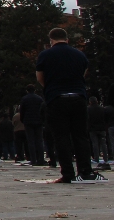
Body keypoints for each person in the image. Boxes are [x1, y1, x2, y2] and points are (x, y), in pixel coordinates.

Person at [36, 27, 104, 182]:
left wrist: (51, 87)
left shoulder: (45, 55)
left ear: (51, 40)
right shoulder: (79, 55)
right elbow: (83, 74)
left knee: (61, 137)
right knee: (81, 136)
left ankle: (67, 173)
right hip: (78, 97)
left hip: (57, 98)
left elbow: (40, 78)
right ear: (67, 39)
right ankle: (85, 171)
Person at [19, 84, 47, 166]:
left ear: (27, 90)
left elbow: (22, 110)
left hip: (28, 121)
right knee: (39, 140)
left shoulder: (24, 99)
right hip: (38, 121)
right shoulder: (39, 98)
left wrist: (23, 120)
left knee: (31, 141)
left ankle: (33, 159)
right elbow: (43, 110)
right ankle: (41, 159)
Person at [87, 97, 107, 165]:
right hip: (102, 128)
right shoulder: (102, 109)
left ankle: (96, 158)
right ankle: (105, 158)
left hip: (93, 129)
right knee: (103, 144)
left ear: (90, 102)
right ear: (97, 101)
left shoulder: (88, 109)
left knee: (95, 144)